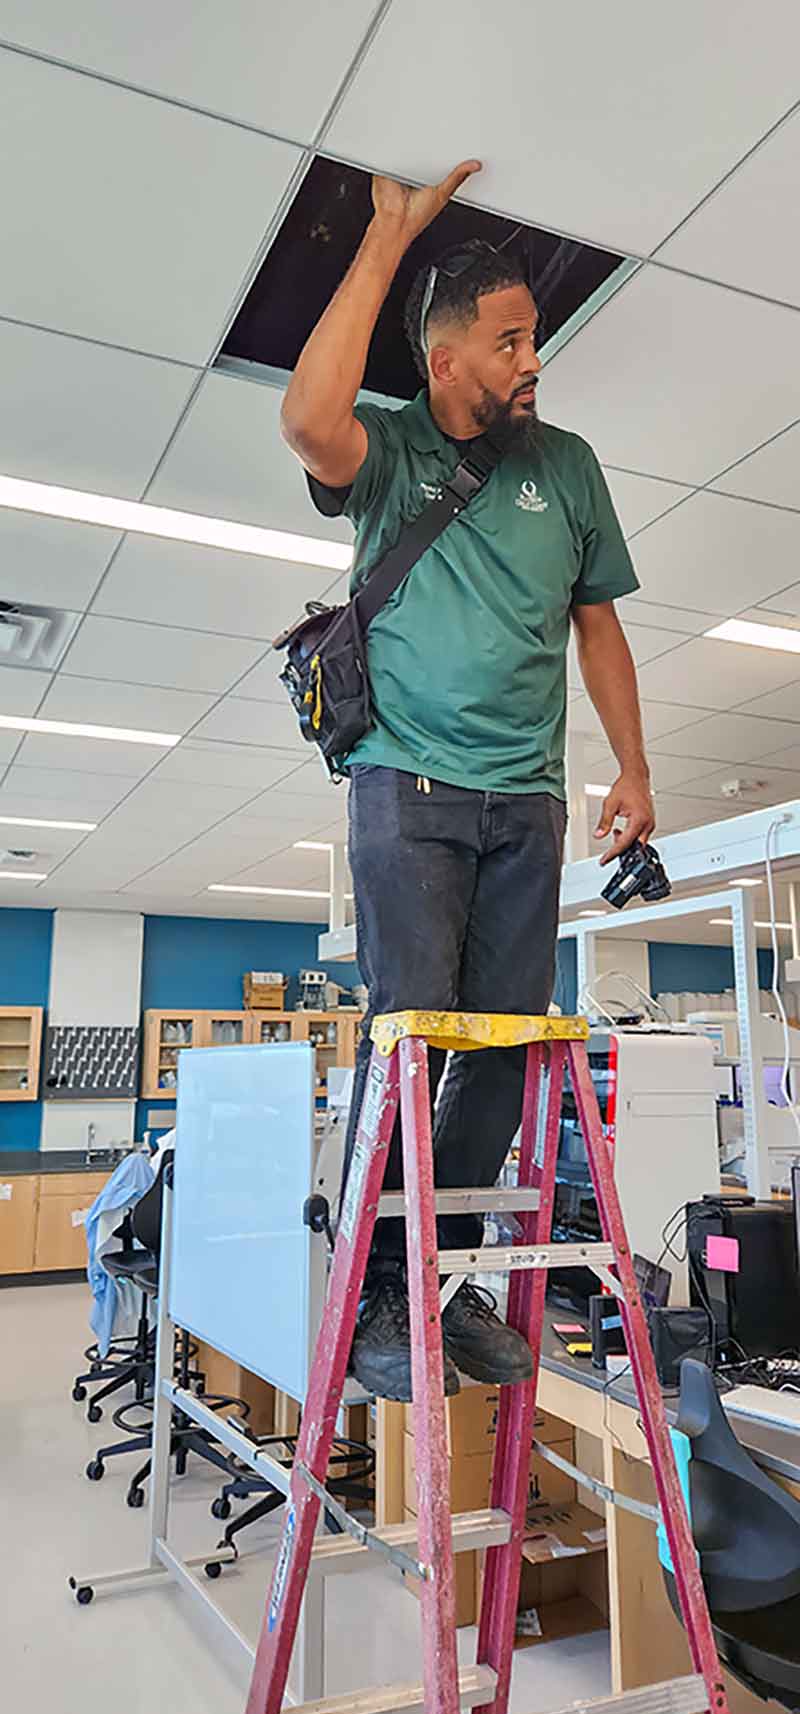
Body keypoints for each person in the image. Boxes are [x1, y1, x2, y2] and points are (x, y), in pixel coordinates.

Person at [281, 160, 655, 1401]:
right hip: (405, 791)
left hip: (525, 801)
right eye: (508, 341)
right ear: (448, 364)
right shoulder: (386, 452)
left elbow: (596, 626)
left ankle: (445, 1274)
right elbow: (303, 418)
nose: (529, 358)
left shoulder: (570, 464)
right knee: (410, 1034)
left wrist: (632, 768)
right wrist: (386, 238)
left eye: (532, 336)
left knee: (498, 1046)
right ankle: (381, 1281)